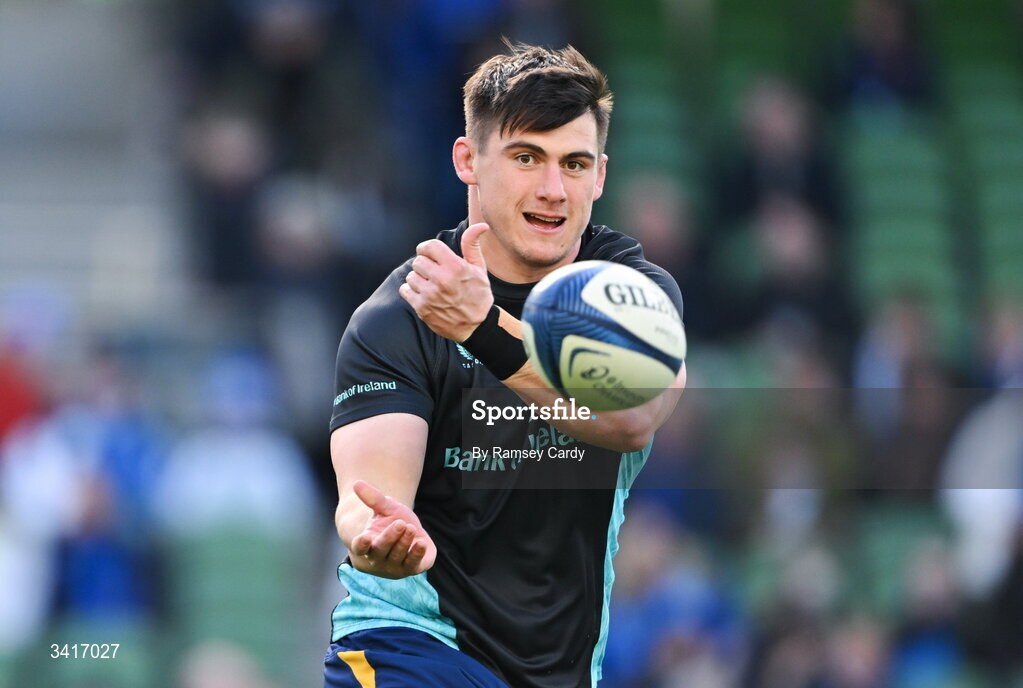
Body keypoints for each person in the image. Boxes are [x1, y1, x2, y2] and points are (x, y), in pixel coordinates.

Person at [323, 42, 687, 688]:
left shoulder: (629, 296)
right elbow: (366, 496)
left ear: (600, 175)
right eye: (526, 158)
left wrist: (483, 331)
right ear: (468, 160)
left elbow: (633, 416)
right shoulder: (396, 317)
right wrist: (378, 538)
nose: (552, 190)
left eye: (573, 164)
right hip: (413, 650)